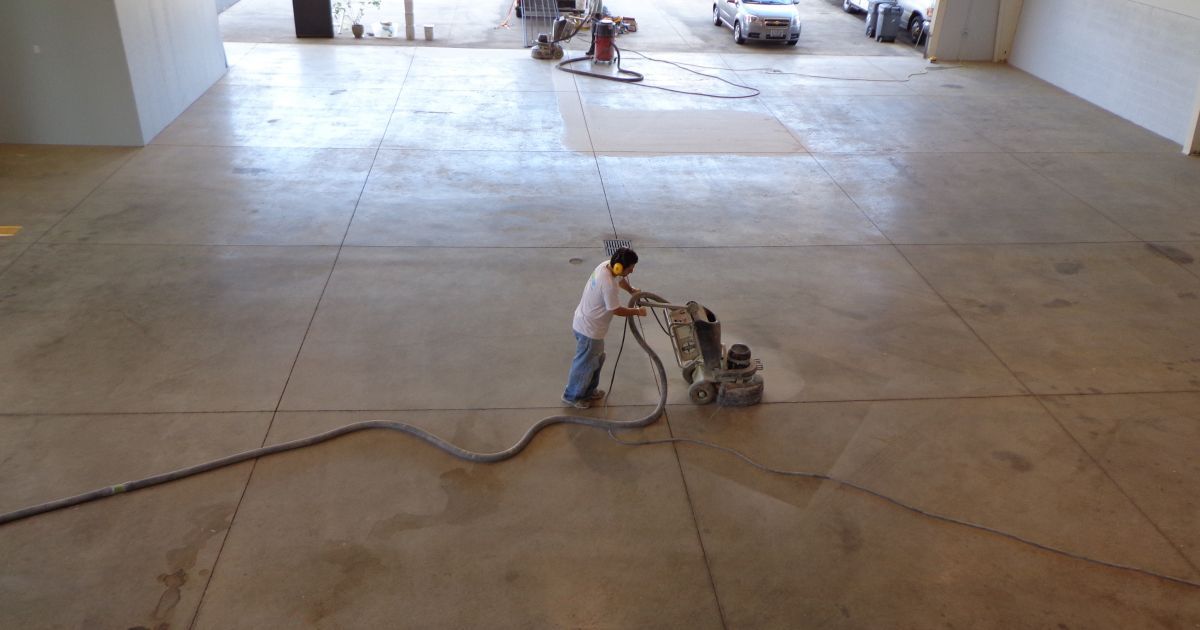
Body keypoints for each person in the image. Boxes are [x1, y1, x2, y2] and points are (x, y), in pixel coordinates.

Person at [562, 247, 646, 408]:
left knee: (596, 360)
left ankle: (588, 391)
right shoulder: (607, 285)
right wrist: (637, 311)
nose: (632, 271)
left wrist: (631, 290)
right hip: (589, 330)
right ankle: (572, 396)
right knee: (585, 363)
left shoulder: (606, 266)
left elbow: (620, 280)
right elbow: (616, 309)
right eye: (630, 268)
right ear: (620, 267)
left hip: (587, 324)